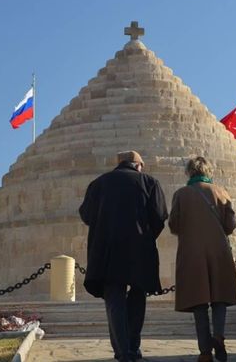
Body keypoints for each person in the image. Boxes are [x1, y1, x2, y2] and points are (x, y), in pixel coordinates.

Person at [79, 150, 168, 362]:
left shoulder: (98, 184)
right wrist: (146, 236)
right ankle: (133, 347)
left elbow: (86, 215)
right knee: (138, 296)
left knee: (114, 298)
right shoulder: (149, 182)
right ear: (137, 165)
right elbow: (159, 216)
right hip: (139, 249)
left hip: (107, 250)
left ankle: (122, 351)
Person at [168, 156, 236, 362]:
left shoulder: (181, 194)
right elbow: (230, 226)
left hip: (192, 253)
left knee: (199, 303)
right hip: (219, 251)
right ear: (208, 172)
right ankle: (218, 336)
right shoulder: (222, 193)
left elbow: (174, 225)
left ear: (189, 172)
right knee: (219, 300)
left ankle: (205, 352)